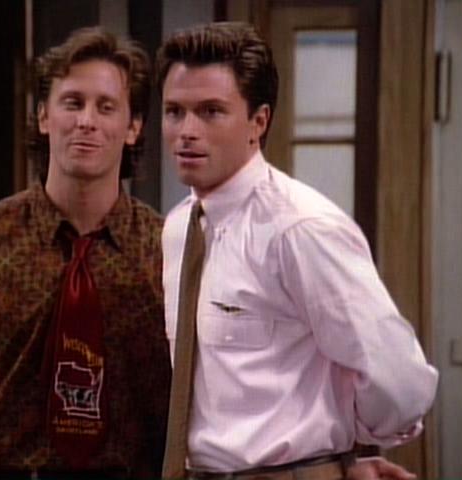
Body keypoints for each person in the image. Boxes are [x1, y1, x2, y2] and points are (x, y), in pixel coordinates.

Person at [158, 22, 439, 480]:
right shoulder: (178, 229)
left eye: (210, 112)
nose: (186, 131)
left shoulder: (301, 228)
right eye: (174, 112)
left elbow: (398, 379)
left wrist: (345, 452)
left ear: (258, 122)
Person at [0, 26, 171, 480]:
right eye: (72, 103)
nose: (86, 121)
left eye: (106, 107)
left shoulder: (167, 252)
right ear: (44, 116)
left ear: (133, 127)